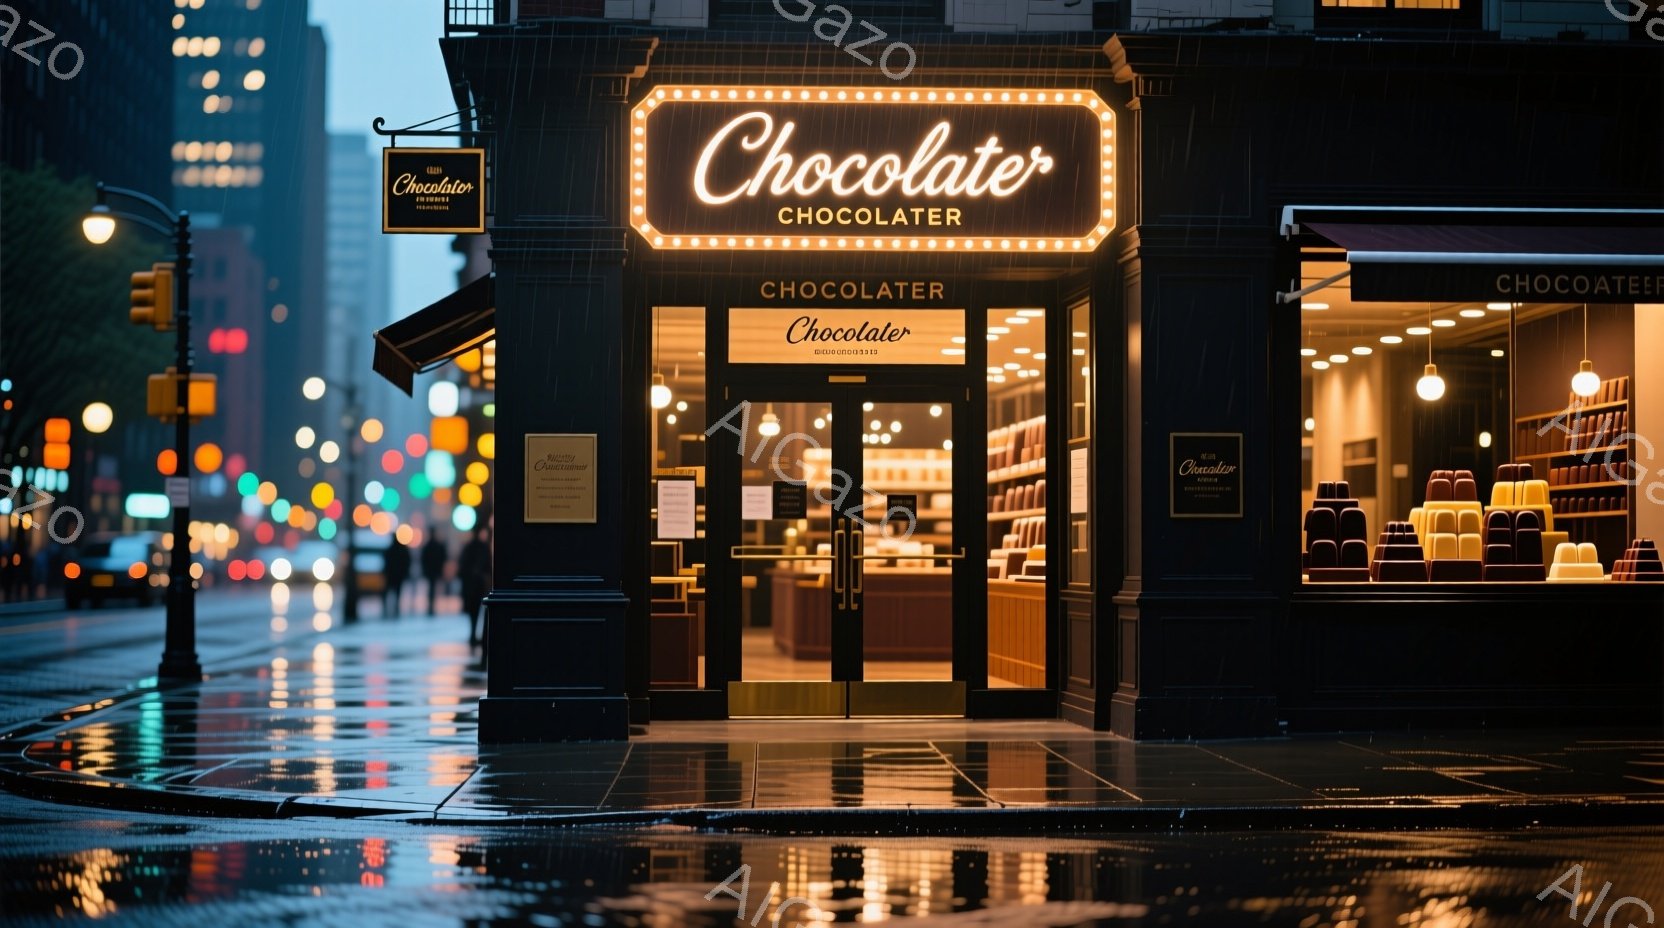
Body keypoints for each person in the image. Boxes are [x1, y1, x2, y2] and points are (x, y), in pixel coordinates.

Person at [459, 527, 491, 646]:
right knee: (478, 609)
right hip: (479, 585)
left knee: (472, 610)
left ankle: (472, 633)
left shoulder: (468, 547)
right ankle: (477, 634)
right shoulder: (483, 548)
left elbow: (462, 567)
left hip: (470, 585)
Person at [382, 536, 412, 617]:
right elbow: (407, 562)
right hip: (398, 575)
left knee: (388, 592)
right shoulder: (402, 549)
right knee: (397, 593)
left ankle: (386, 608)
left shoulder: (390, 549)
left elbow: (386, 562)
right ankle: (395, 608)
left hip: (391, 575)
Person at [421, 532, 448, 616]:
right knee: (433, 588)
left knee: (431, 588)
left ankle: (431, 606)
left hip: (430, 571)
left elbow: (424, 558)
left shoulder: (428, 546)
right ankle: (431, 606)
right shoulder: (436, 546)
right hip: (434, 570)